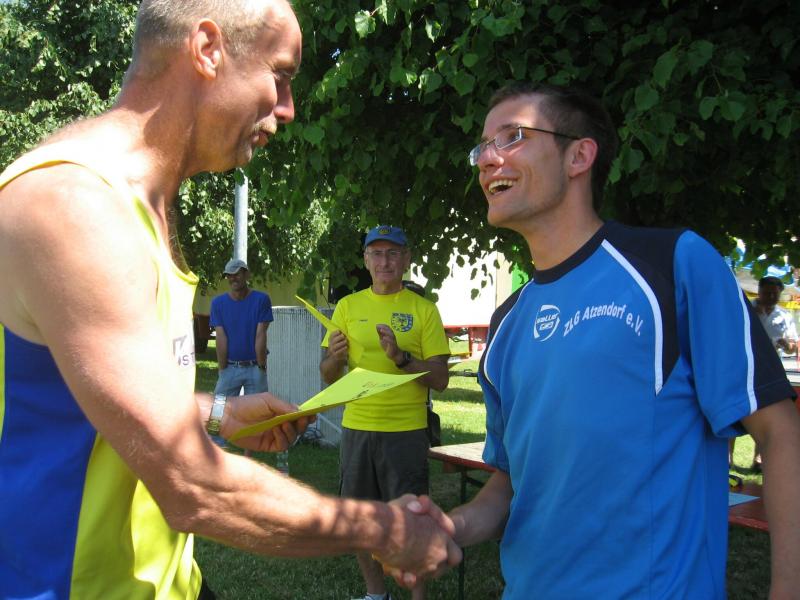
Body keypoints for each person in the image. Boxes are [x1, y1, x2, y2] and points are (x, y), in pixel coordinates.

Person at [0, 2, 460, 598]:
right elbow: (191, 484)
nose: (288, 109)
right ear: (208, 49)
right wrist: (385, 529)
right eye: (281, 74)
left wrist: (217, 412)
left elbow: (96, 401)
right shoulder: (75, 207)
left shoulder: (139, 204)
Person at [420, 82, 800, 598]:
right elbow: (511, 484)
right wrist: (452, 528)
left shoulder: (671, 266)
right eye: (483, 146)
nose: (487, 159)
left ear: (579, 156)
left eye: (512, 137)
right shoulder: (507, 323)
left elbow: (779, 433)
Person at [320, 225, 451, 600]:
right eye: (376, 253)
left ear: (406, 259)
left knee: (411, 521)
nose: (385, 261)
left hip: (406, 431)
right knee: (361, 518)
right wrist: (336, 358)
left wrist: (401, 358)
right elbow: (327, 374)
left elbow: (440, 379)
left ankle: (417, 596)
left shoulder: (423, 310)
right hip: (357, 428)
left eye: (393, 253)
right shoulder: (347, 307)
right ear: (366, 260)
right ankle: (376, 594)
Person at [730, 274, 800, 468]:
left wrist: (787, 345)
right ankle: (729, 458)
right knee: (736, 412)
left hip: (769, 371)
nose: (770, 297)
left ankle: (759, 459)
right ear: (759, 291)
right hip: (741, 368)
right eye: (767, 293)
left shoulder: (784, 316)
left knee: (767, 413)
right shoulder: (744, 309)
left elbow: (792, 348)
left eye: (774, 294)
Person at [212, 258, 273, 397]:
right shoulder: (217, 303)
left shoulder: (261, 300)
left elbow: (260, 334)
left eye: (236, 274)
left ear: (247, 274)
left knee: (258, 408)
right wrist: (222, 369)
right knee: (218, 407)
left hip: (255, 367)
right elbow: (221, 338)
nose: (233, 278)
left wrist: (261, 366)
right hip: (229, 367)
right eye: (229, 275)